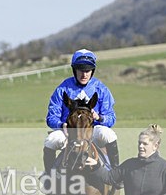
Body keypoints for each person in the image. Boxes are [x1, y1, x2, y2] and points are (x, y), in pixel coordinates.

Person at [43, 48, 121, 185]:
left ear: (92, 71)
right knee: (50, 140)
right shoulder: (62, 89)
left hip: (93, 130)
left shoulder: (101, 89)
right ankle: (50, 177)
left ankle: (115, 174)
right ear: (74, 70)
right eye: (80, 70)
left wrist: (100, 118)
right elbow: (51, 117)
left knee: (109, 135)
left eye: (88, 70)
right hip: (69, 132)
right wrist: (62, 125)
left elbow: (111, 117)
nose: (84, 74)